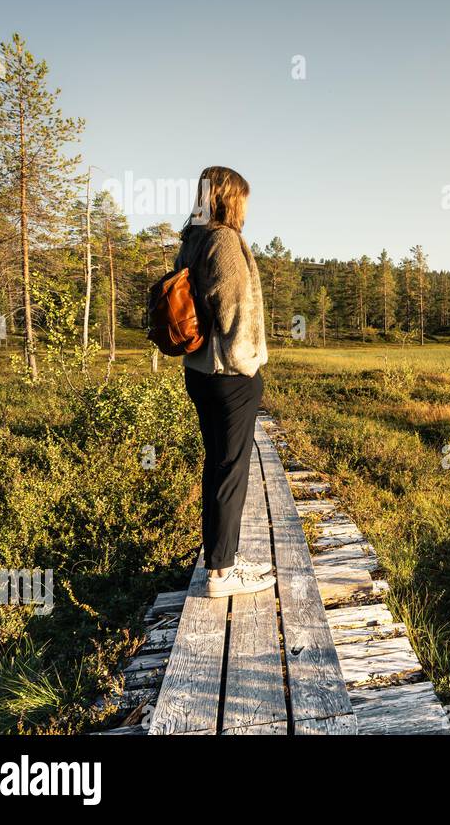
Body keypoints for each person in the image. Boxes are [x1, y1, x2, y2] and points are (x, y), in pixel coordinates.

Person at [175, 166, 276, 597]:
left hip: (199, 372)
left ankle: (222, 561)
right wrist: (248, 363)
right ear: (228, 197)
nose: (248, 207)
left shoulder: (191, 241)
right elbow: (235, 308)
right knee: (230, 471)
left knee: (216, 466)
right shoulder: (223, 240)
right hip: (229, 373)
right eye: (245, 198)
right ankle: (221, 575)